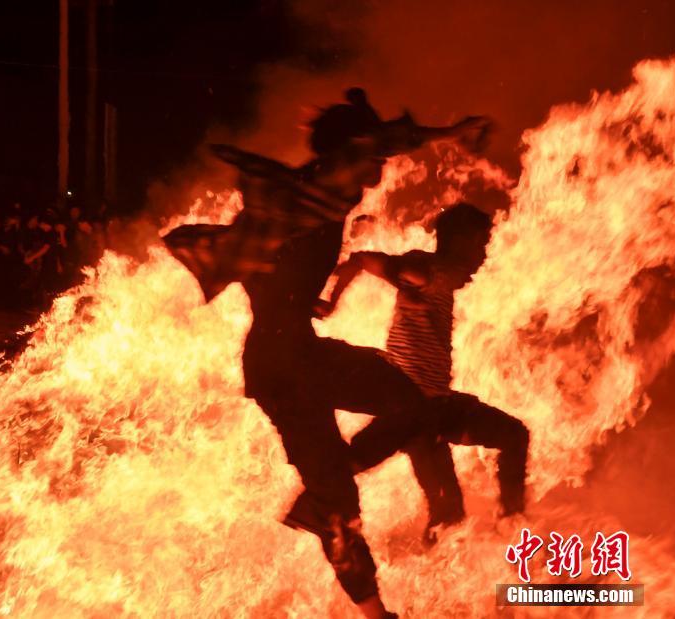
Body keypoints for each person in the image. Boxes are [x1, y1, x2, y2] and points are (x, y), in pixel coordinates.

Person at [163, 89, 491, 618]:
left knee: (411, 405)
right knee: (341, 511)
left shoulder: (302, 203)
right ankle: (372, 605)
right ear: (346, 153)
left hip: (300, 352)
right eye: (373, 158)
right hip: (281, 366)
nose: (379, 168)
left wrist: (299, 295)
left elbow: (275, 266)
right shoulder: (309, 196)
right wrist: (451, 131)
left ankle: (328, 486)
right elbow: (377, 143)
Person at [319, 203, 529, 532]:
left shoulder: (438, 280)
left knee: (514, 435)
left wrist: (399, 280)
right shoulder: (431, 273)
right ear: (461, 243)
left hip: (439, 405)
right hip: (413, 416)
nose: (483, 257)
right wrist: (338, 300)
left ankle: (513, 521)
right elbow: (364, 260)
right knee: (448, 516)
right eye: (480, 245)